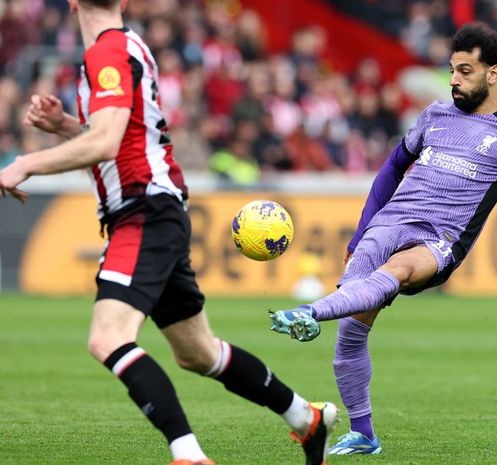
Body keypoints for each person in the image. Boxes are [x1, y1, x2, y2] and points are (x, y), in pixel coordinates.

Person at [0, 1, 338, 464]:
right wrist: (64, 127)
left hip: (144, 210)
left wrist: (23, 164)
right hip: (160, 207)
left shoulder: (108, 52)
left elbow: (106, 142)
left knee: (107, 337)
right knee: (197, 353)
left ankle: (189, 455)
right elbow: (122, 136)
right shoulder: (126, 46)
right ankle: (306, 417)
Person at [267, 23, 497, 455]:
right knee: (351, 332)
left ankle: (308, 311)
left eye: (465, 70)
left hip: (439, 242)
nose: (454, 79)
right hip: (391, 223)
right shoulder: (435, 114)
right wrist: (364, 229)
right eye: (452, 69)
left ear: (493, 73)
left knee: (394, 272)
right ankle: (363, 434)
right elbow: (392, 168)